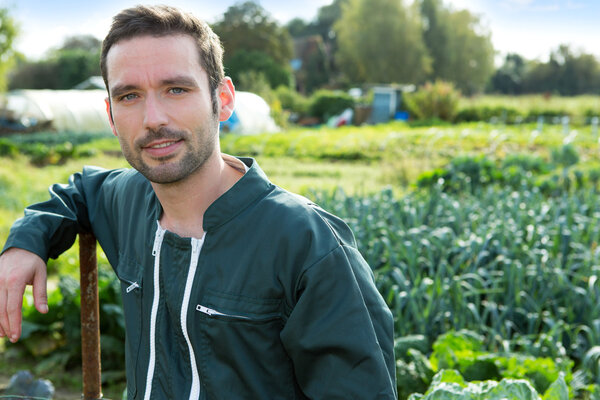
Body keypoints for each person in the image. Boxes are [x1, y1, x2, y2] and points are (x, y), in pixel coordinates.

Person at [0, 5, 397, 399]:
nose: (153, 118)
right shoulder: (129, 202)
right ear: (110, 115)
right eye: (129, 95)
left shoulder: (309, 245)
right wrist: (25, 242)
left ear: (222, 99)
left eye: (176, 89)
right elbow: (80, 190)